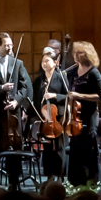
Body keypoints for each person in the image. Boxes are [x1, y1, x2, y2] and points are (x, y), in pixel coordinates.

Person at [0, 33, 32, 185]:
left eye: (11, 45)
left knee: (14, 147)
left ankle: (14, 183)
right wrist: (0, 88)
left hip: (13, 113)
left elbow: (24, 87)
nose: (10, 48)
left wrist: (16, 101)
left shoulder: (18, 63)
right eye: (7, 45)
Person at [65, 40, 101, 185]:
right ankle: (76, 182)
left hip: (89, 116)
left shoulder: (94, 73)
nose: (76, 55)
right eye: (75, 52)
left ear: (88, 54)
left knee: (89, 147)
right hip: (75, 115)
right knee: (75, 146)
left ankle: (92, 180)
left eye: (80, 52)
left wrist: (79, 96)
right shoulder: (72, 72)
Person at [33, 47, 67, 180]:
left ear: (55, 62)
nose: (44, 64)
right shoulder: (38, 81)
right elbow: (35, 99)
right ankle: (49, 175)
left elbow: (68, 96)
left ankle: (60, 175)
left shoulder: (61, 78)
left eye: (47, 61)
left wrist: (54, 95)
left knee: (59, 147)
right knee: (46, 147)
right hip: (45, 117)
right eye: (43, 61)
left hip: (58, 116)